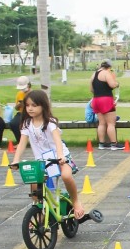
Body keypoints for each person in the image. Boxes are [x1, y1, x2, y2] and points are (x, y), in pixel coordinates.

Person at [12, 89, 84, 219]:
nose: (30, 108)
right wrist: (16, 160)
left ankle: (76, 201)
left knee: (66, 176)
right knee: (34, 182)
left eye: (34, 105)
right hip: (41, 160)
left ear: (43, 106)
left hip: (59, 156)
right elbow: (22, 143)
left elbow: (57, 140)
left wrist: (60, 156)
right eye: (27, 105)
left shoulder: (49, 122)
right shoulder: (27, 124)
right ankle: (37, 210)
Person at [91, 60, 119, 149]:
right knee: (111, 123)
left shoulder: (94, 74)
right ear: (109, 67)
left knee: (102, 123)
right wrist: (117, 83)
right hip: (106, 99)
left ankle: (101, 144)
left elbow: (91, 89)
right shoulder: (106, 73)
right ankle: (114, 144)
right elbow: (112, 85)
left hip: (96, 100)